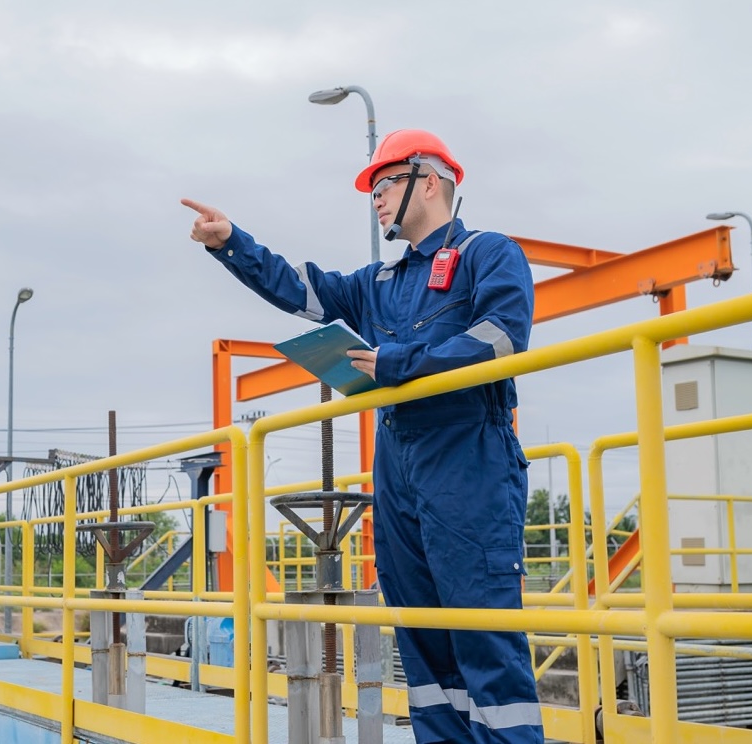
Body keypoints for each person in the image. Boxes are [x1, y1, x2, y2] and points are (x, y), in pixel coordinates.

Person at [182, 128, 544, 743]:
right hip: (401, 472)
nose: (374, 200)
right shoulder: (382, 281)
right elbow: (304, 290)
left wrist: (400, 362)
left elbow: (503, 339)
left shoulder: (489, 253)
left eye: (383, 185)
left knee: (483, 631)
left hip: (469, 469)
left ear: (428, 181)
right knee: (422, 639)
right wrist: (230, 243)